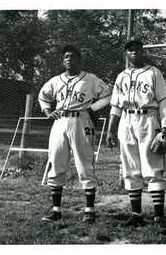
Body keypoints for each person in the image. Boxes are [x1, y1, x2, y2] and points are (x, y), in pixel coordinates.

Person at [38, 45, 111, 223]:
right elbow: (43, 96)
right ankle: (56, 210)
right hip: (60, 121)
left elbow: (107, 95)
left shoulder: (91, 79)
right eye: (66, 57)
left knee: (85, 164)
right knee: (56, 163)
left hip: (81, 121)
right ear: (63, 61)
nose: (68, 59)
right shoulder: (56, 80)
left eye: (72, 56)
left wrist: (92, 107)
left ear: (79, 59)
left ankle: (89, 210)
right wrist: (48, 112)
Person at [106, 36, 166, 234]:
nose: (133, 52)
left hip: (148, 118)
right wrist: (110, 129)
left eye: (137, 48)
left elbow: (162, 102)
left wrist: (165, 127)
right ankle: (136, 215)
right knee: (130, 166)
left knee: (152, 166)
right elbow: (116, 106)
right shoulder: (121, 76)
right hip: (126, 120)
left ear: (143, 51)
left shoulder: (153, 72)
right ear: (126, 53)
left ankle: (159, 216)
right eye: (130, 49)